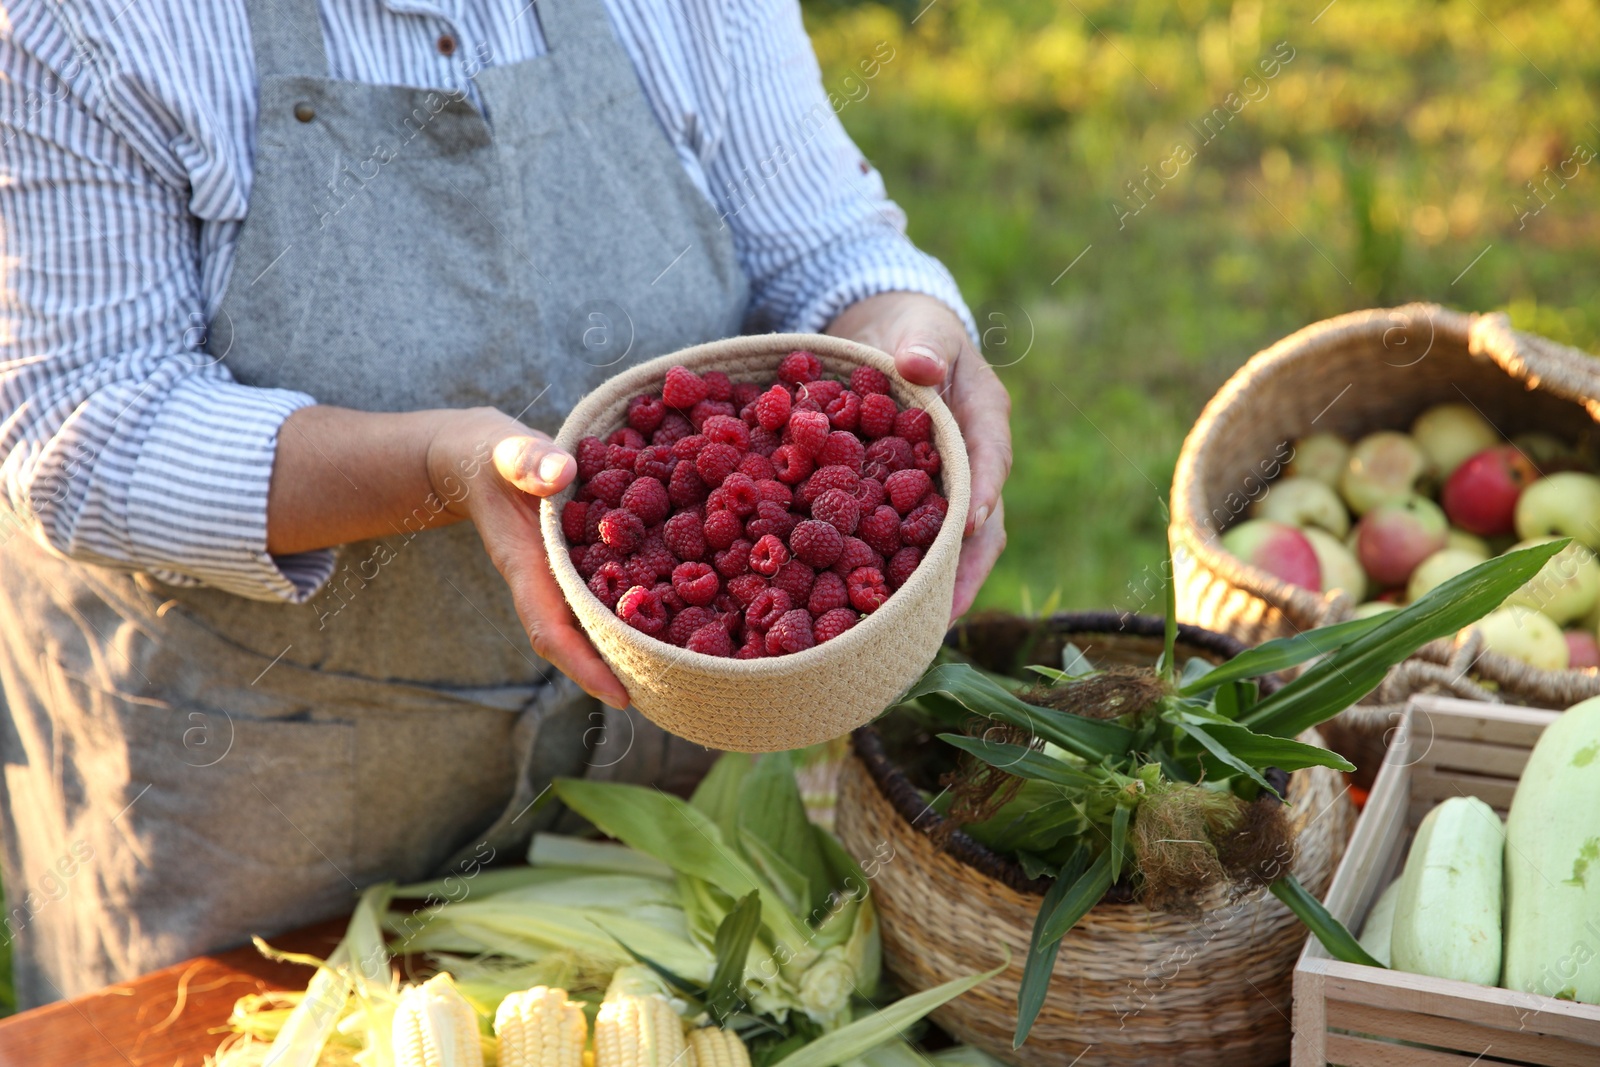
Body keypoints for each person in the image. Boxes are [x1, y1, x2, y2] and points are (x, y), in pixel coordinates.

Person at [0, 0, 1011, 1007]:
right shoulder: (82, 23)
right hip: (260, 787)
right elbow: (80, 423)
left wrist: (912, 346)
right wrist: (440, 466)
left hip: (651, 751)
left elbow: (821, 243)